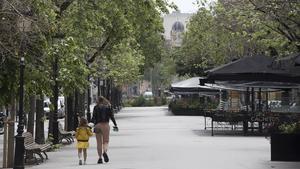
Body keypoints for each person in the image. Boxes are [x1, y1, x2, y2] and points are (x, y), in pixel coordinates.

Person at [92, 96, 118, 164]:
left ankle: (100, 158)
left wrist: (92, 124)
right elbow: (112, 116)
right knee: (105, 141)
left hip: (97, 125)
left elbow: (93, 117)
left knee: (99, 143)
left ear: (98, 100)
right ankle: (104, 152)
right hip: (105, 125)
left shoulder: (96, 107)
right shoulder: (108, 107)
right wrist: (115, 124)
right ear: (104, 100)